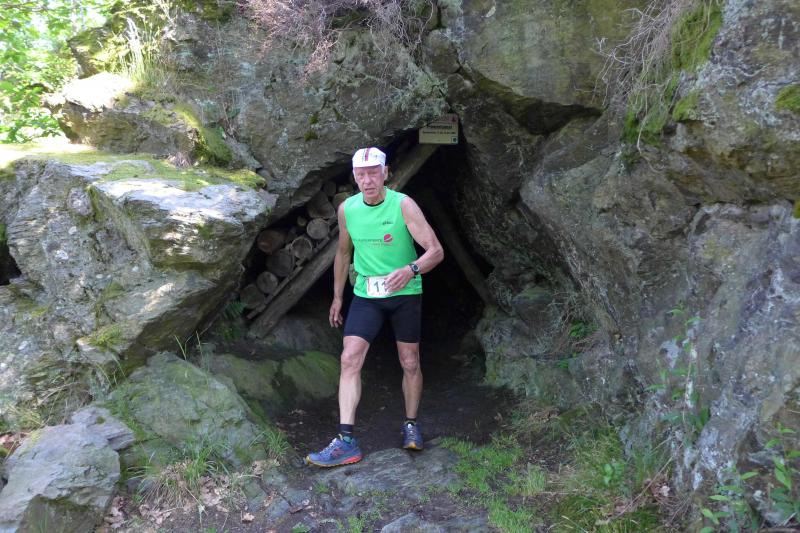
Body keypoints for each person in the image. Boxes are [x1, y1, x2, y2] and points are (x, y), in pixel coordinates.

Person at [305, 146, 444, 467]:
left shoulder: (403, 205)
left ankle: (411, 423)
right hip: (367, 295)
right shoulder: (348, 209)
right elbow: (343, 253)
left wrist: (410, 269)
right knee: (349, 358)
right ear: (354, 177)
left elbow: (435, 251)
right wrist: (338, 297)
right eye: (361, 174)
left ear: (385, 173)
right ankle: (346, 441)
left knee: (410, 361)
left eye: (373, 173)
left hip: (405, 293)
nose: (367, 180)